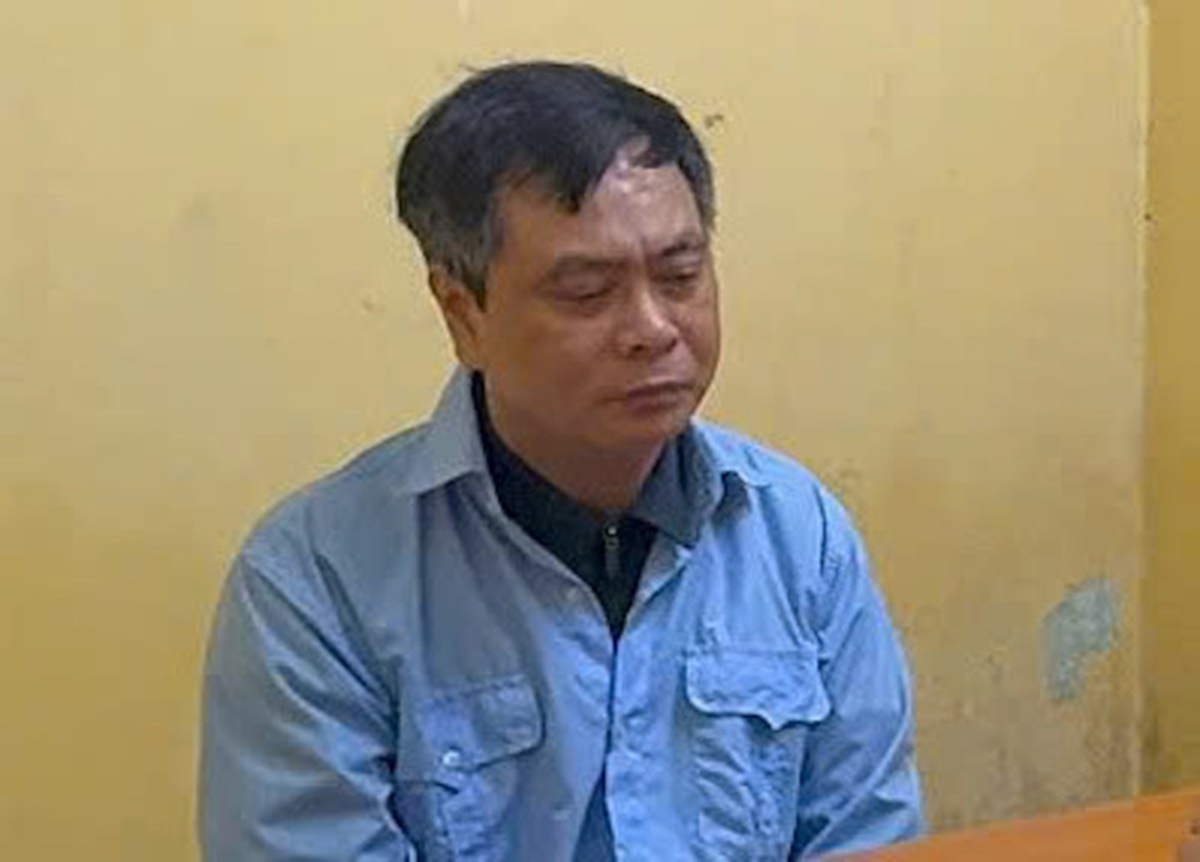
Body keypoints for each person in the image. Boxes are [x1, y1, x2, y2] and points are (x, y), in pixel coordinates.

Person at [199, 60, 924, 861]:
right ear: (462, 312)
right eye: (586, 293)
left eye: (681, 276)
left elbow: (871, 838)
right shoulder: (318, 580)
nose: (652, 329)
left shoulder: (799, 538)